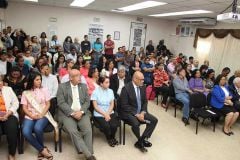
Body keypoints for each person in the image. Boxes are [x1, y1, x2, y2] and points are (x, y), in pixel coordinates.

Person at [57, 69, 96, 160]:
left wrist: (81, 111)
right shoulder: (62, 87)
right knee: (73, 131)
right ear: (70, 78)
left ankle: (86, 152)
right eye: (77, 76)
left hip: (82, 112)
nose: (80, 77)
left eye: (80, 75)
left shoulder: (83, 86)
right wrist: (73, 113)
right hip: (67, 114)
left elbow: (87, 102)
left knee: (87, 130)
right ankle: (89, 155)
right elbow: (61, 103)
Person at [119, 71, 158, 152]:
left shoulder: (142, 86)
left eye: (143, 80)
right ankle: (140, 141)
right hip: (128, 112)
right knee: (136, 124)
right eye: (141, 80)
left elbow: (145, 101)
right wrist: (137, 114)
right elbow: (124, 106)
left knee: (154, 120)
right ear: (135, 79)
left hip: (141, 111)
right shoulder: (126, 89)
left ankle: (141, 140)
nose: (143, 81)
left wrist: (143, 112)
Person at [21, 71, 53, 159]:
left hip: (43, 114)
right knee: (25, 132)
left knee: (37, 128)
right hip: (30, 115)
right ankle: (42, 150)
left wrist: (42, 114)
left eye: (40, 79)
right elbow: (24, 108)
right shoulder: (25, 92)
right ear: (32, 80)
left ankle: (41, 151)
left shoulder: (44, 89)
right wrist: (32, 116)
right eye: (37, 80)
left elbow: (48, 104)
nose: (39, 81)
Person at [91, 76, 120, 147]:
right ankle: (109, 139)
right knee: (106, 126)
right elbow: (95, 107)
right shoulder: (95, 92)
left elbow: (112, 104)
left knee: (114, 125)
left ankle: (112, 137)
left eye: (109, 82)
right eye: (106, 82)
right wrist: (104, 114)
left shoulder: (110, 91)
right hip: (99, 113)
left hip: (109, 111)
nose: (109, 84)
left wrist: (107, 113)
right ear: (101, 84)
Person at [0, 77, 19, 160]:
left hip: (9, 114)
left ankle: (12, 153)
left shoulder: (8, 89)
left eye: (0, 80)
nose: (0, 83)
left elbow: (16, 102)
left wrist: (8, 113)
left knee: (12, 129)